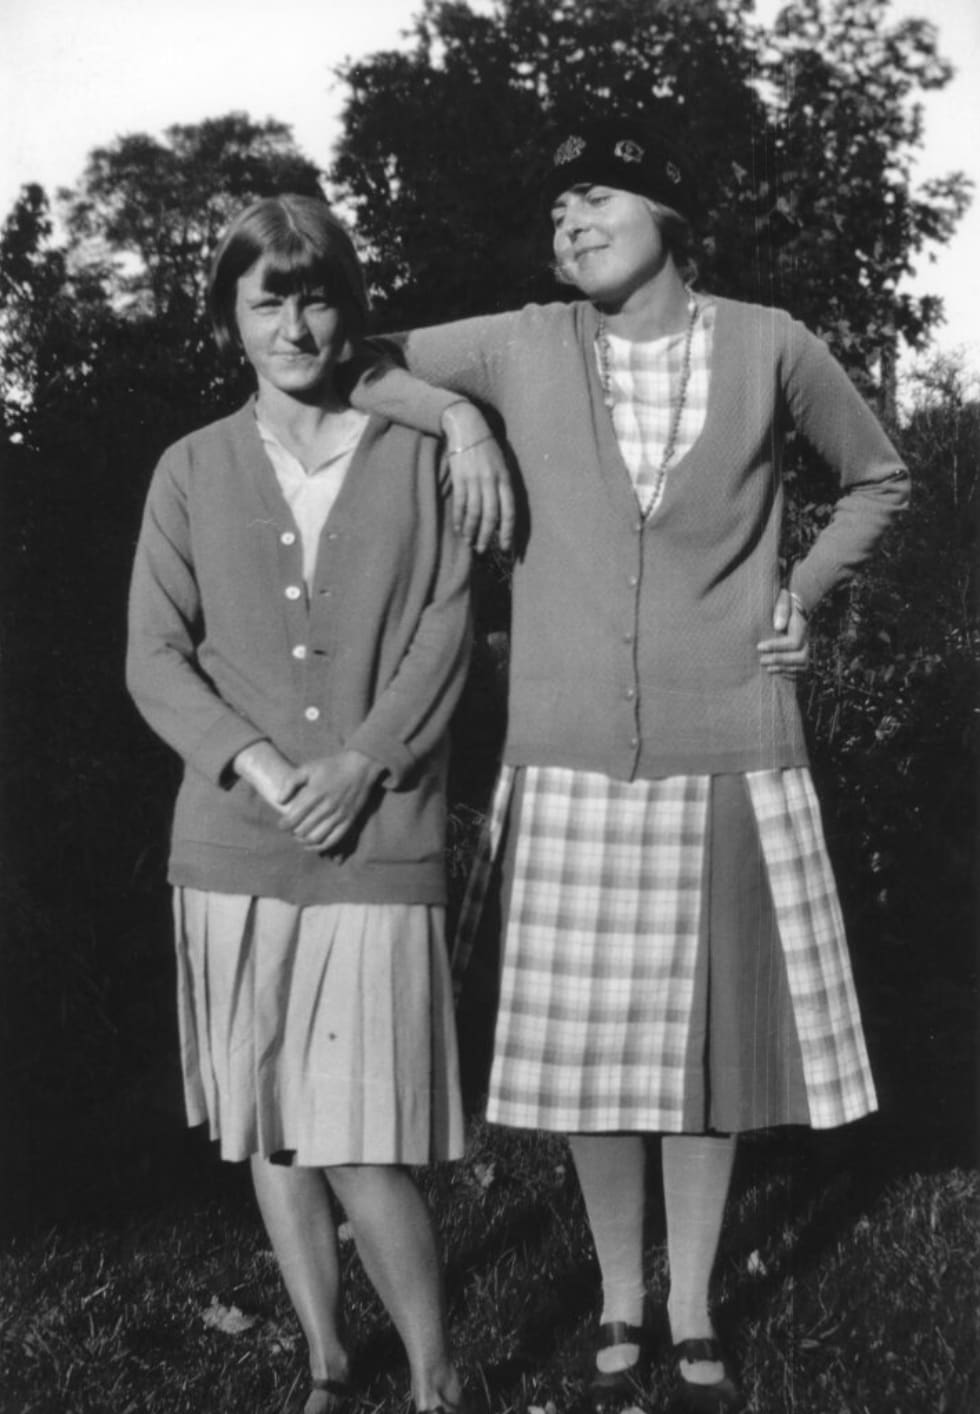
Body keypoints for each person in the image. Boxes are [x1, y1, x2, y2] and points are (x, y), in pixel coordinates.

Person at [350, 119, 909, 1412]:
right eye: (556, 213)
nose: (570, 226)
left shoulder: (774, 343)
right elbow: (356, 359)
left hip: (731, 738)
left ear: (670, 212)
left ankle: (698, 1295)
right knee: (595, 1051)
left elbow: (878, 476)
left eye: (596, 200)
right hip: (568, 748)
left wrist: (806, 588)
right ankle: (617, 1291)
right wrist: (461, 423)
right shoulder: (524, 344)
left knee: (705, 1048)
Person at [126, 195, 476, 1414]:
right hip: (232, 841)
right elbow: (154, 656)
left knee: (357, 1135)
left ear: (348, 305)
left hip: (378, 838)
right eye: (266, 300)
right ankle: (328, 1358)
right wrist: (267, 770)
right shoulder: (189, 468)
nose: (294, 323)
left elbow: (445, 625)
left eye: (314, 294)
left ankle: (436, 1379)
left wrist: (365, 762)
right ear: (231, 315)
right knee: (273, 1124)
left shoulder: (420, 455)